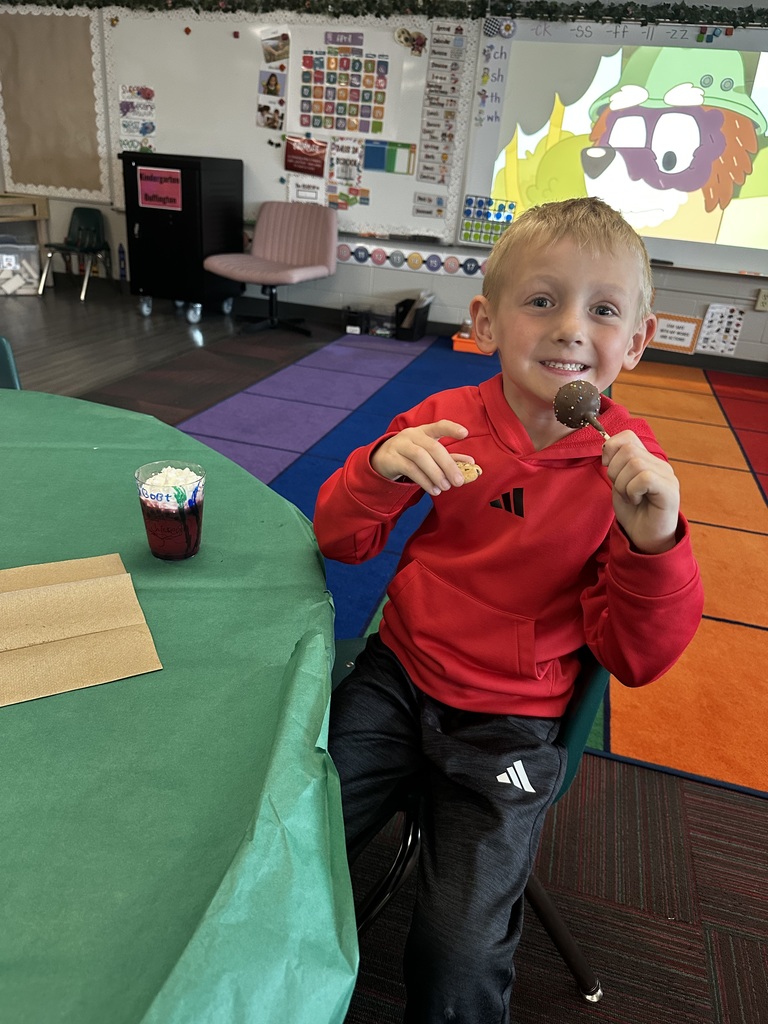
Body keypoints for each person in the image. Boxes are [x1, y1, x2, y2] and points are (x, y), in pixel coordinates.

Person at [313, 197, 703, 1024]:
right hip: (399, 674)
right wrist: (379, 467)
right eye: (541, 300)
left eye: (601, 311)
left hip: (512, 720)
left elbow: (637, 658)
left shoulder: (633, 476)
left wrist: (653, 544)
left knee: (458, 949)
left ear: (635, 341)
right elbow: (341, 541)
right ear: (486, 322)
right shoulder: (443, 423)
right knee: (291, 843)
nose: (569, 330)